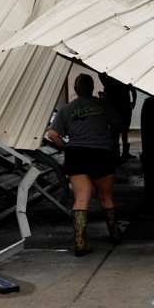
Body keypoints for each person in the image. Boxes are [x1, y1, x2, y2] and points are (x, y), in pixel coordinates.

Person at [46, 73, 123, 256]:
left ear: (75, 89)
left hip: (77, 155)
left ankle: (80, 243)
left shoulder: (66, 109)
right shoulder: (102, 105)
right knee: (105, 197)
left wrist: (68, 147)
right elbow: (118, 124)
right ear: (91, 87)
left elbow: (53, 134)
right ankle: (115, 235)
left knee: (81, 198)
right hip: (102, 153)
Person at [100, 73, 137, 160]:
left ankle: (122, 153)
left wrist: (133, 102)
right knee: (117, 133)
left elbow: (133, 90)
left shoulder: (117, 80)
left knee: (120, 132)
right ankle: (118, 154)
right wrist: (133, 102)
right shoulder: (111, 81)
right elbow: (133, 90)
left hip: (122, 109)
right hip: (118, 110)